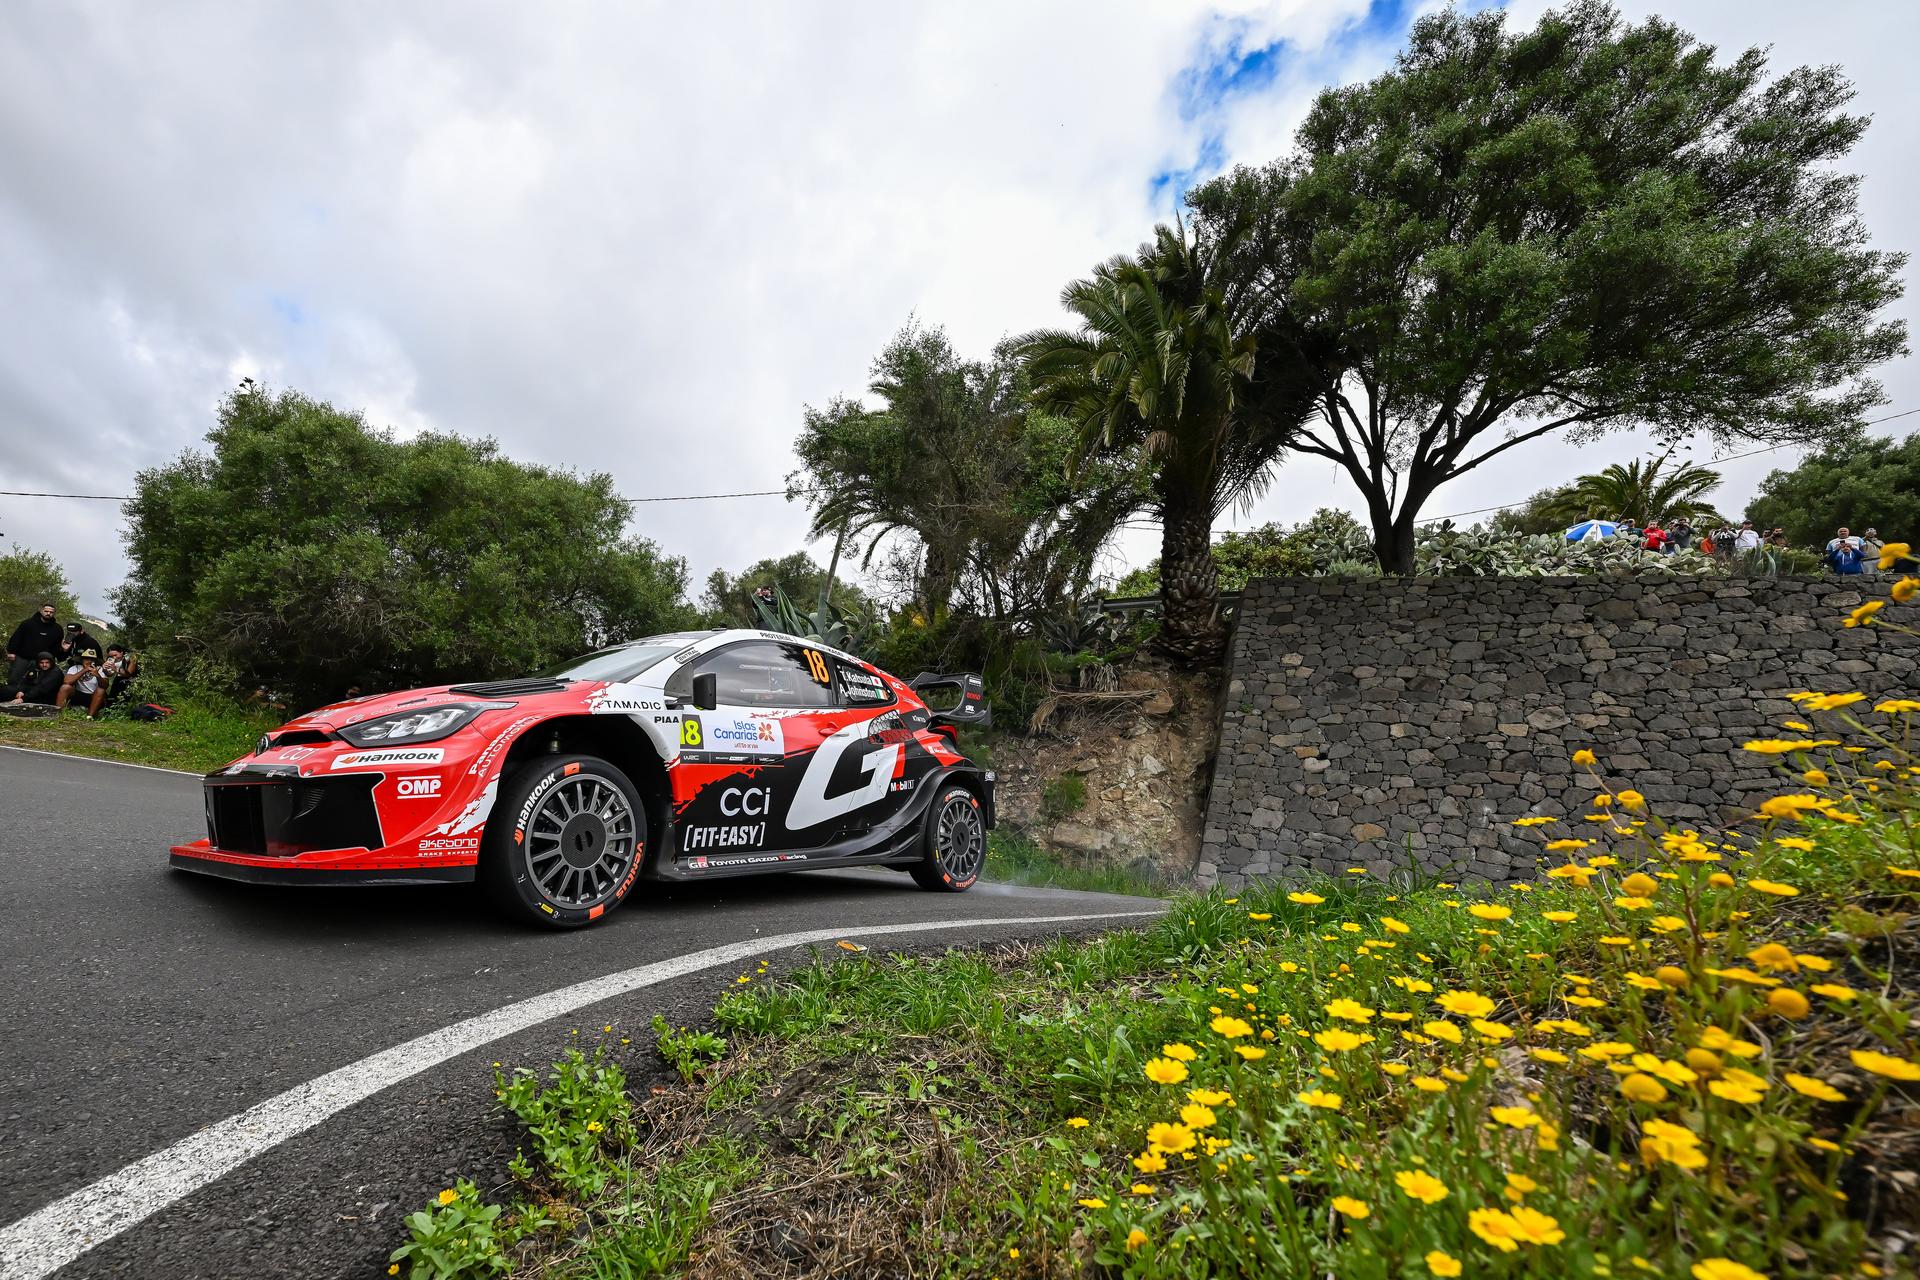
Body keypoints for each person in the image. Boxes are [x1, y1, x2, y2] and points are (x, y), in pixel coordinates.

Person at [6, 604, 61, 685]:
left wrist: (51, 660)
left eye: (51, 612)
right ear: (41, 611)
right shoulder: (28, 623)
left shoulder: (57, 629)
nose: (48, 613)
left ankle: (25, 697)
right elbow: (16, 638)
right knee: (14, 679)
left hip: (40, 661)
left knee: (34, 682)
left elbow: (56, 646)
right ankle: (9, 696)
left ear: (54, 613)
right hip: (21, 657)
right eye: (46, 611)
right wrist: (11, 652)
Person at [55, 649, 111, 718]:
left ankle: (90, 717)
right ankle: (58, 714)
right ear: (82, 660)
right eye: (86, 659)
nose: (89, 661)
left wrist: (97, 675)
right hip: (79, 694)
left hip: (93, 697)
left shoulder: (100, 669)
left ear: (95, 661)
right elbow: (67, 681)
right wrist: (85, 670)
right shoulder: (75, 668)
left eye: (92, 659)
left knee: (101, 690)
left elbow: (105, 686)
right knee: (65, 687)